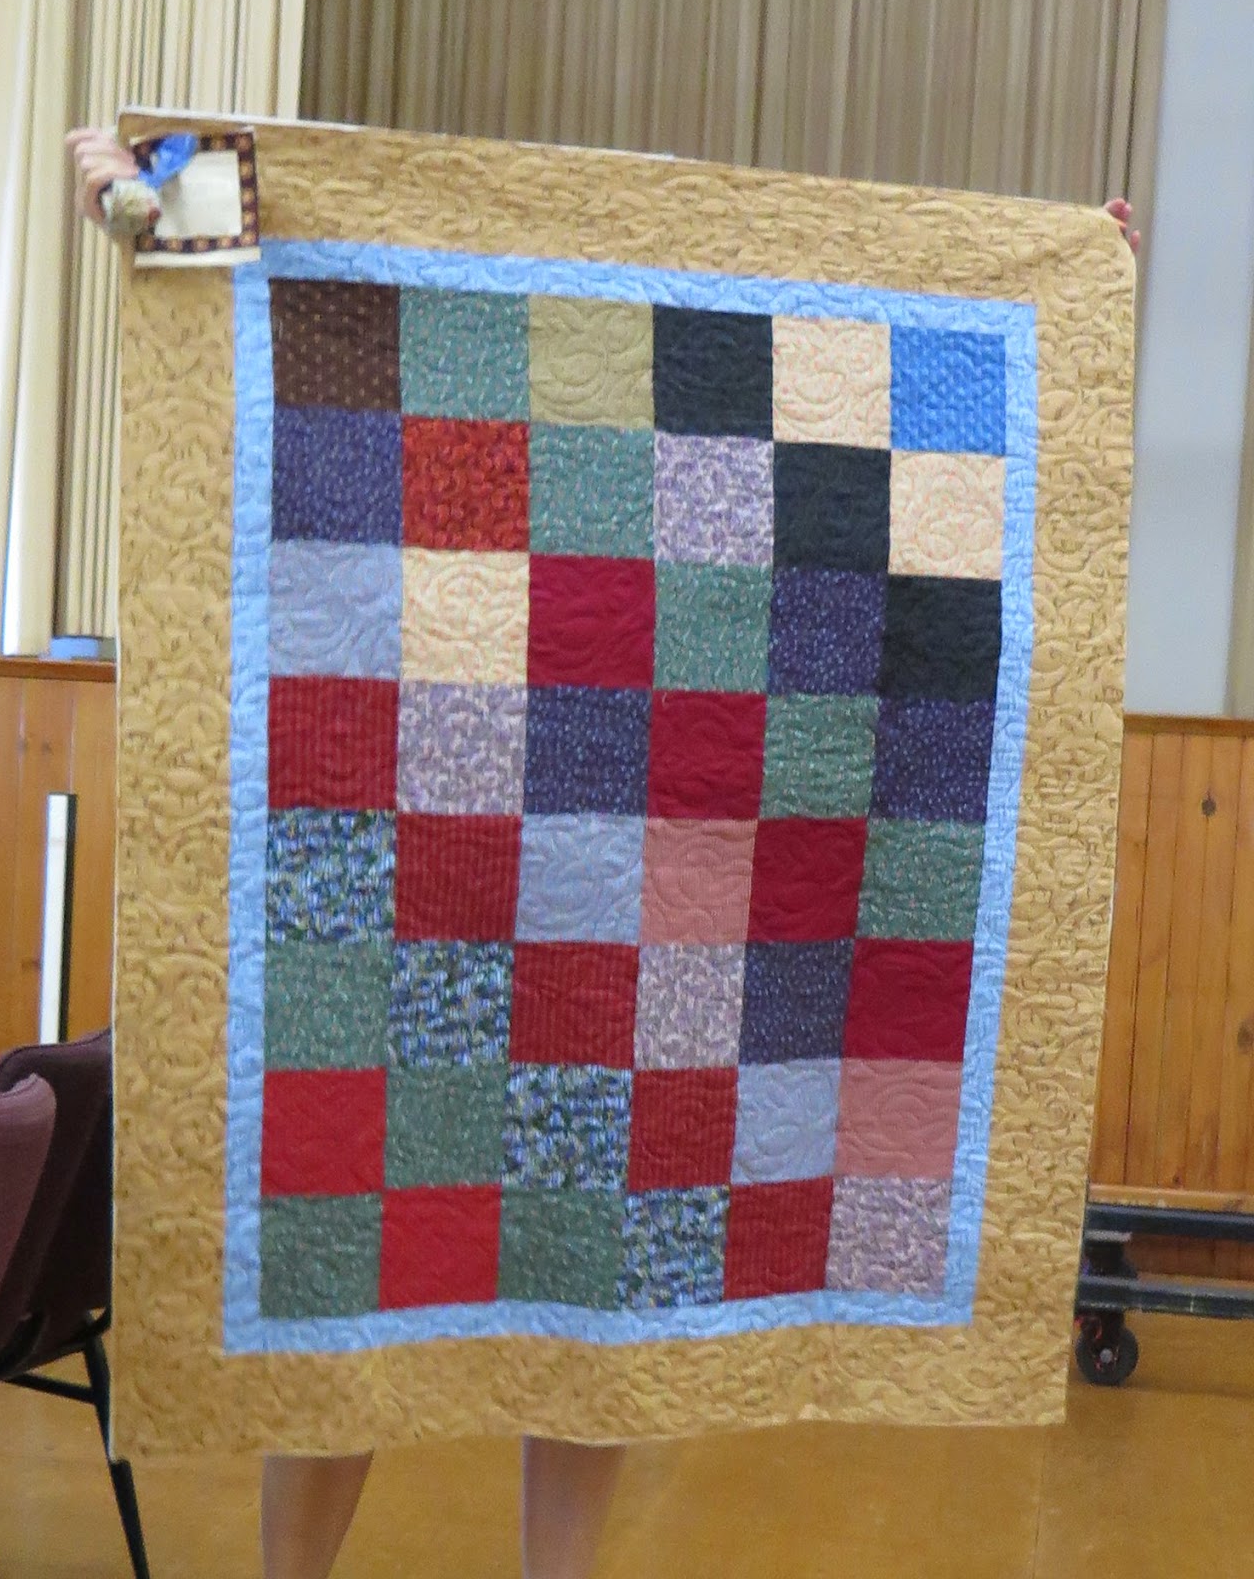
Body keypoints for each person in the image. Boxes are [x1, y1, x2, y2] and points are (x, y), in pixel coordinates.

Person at [68, 126, 1137, 1579]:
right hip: (430, 888)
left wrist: (1070, 283)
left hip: (658, 897)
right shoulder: (455, 317)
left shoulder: (705, 374)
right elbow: (201, 259)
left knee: (605, 1283)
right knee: (344, 1262)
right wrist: (132, 187)